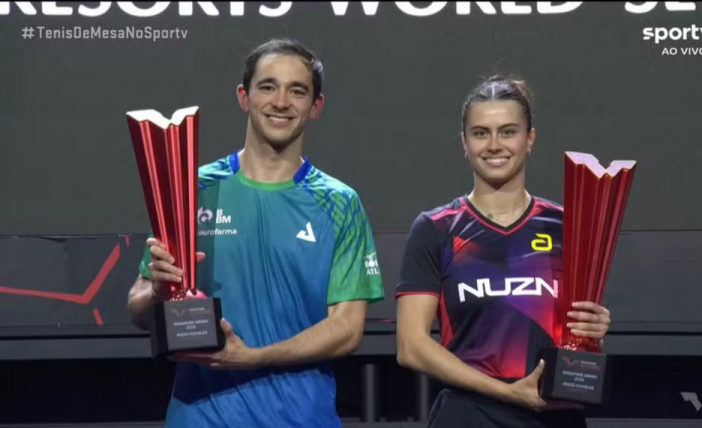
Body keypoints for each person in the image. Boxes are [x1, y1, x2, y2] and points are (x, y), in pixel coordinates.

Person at [126, 38, 385, 428]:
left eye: (297, 91)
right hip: (201, 417)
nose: (281, 102)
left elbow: (347, 330)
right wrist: (159, 292)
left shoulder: (340, 203)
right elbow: (138, 308)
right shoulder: (192, 189)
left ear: (316, 106)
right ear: (244, 97)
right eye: (267, 86)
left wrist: (252, 357)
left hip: (301, 419)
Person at [394, 75, 611, 428]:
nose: (494, 145)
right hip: (468, 416)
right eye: (481, 133)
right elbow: (411, 346)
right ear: (465, 142)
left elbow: (578, 335)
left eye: (508, 132)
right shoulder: (436, 228)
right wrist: (508, 392)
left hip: (553, 416)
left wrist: (593, 327)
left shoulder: (567, 227)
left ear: (530, 139)